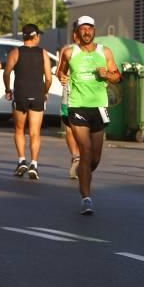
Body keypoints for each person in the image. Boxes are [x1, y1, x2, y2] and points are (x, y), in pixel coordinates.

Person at [57, 16, 121, 215]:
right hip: (78, 106)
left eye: (90, 29)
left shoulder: (105, 52)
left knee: (95, 157)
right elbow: (60, 72)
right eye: (83, 29)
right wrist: (62, 77)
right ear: (78, 32)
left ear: (94, 31)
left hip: (99, 107)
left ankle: (84, 173)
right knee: (85, 151)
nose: (87, 32)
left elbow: (118, 77)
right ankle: (86, 198)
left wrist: (107, 75)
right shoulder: (69, 52)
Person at [3, 24, 53, 180]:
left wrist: (7, 89)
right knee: (35, 132)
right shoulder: (43, 53)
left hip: (21, 94)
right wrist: (45, 92)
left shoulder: (15, 52)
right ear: (35, 36)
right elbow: (49, 78)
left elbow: (6, 73)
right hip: (37, 94)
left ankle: (21, 160)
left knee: (19, 130)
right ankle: (34, 164)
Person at [56, 22, 82, 179]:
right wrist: (62, 77)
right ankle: (77, 157)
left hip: (87, 97)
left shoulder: (97, 51)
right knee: (71, 128)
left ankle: (79, 156)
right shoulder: (66, 50)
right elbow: (60, 71)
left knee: (78, 129)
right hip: (70, 95)